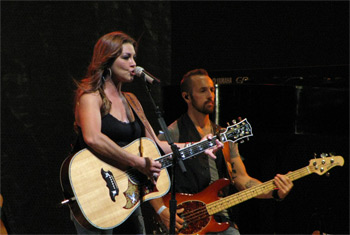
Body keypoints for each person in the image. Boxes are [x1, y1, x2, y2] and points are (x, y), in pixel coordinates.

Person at [70, 32, 222, 234]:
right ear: (107, 60)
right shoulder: (91, 96)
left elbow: (157, 146)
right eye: (126, 57)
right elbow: (93, 137)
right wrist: (137, 162)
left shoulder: (132, 100)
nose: (133, 63)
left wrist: (200, 146)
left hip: (127, 196)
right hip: (95, 192)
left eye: (134, 57)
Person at [150, 68, 294, 235]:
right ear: (186, 97)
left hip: (221, 218)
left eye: (212, 89)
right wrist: (163, 212)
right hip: (187, 221)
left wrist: (274, 192)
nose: (210, 95)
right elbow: (151, 178)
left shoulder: (225, 135)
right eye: (203, 90)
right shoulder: (171, 134)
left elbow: (241, 178)